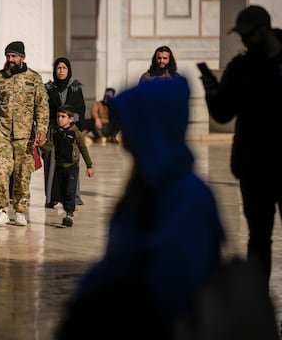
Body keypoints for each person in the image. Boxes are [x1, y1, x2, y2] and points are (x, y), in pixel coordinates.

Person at [55, 77, 224, 339]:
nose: (125, 131)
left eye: (134, 121)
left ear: (152, 126)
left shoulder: (186, 198)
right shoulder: (147, 183)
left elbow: (171, 286)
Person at [200, 5, 282, 290]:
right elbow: (223, 113)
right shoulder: (241, 67)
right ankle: (258, 307)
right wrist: (212, 91)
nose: (244, 41)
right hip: (255, 167)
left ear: (264, 31)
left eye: (247, 35)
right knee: (259, 238)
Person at [0, 40, 49, 227]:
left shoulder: (34, 78)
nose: (10, 59)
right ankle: (2, 210)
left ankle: (20, 211)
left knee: (23, 174)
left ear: (22, 57)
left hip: (25, 137)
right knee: (0, 171)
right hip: (2, 135)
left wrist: (41, 130)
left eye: (14, 56)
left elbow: (42, 107)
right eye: (8, 56)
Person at [39, 105, 94, 227]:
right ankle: (68, 209)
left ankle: (69, 215)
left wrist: (89, 166)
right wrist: (41, 144)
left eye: (63, 117)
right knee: (63, 192)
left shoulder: (75, 133)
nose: (59, 119)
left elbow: (83, 149)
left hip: (72, 167)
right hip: (59, 167)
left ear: (71, 119)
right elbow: (48, 148)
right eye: (58, 116)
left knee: (70, 191)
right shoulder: (55, 133)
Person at [43, 57, 87, 208]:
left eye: (64, 68)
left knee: (71, 162)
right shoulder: (48, 88)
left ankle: (72, 197)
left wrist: (69, 122)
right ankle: (52, 197)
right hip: (53, 131)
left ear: (69, 70)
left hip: (70, 131)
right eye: (58, 68)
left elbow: (81, 110)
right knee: (51, 163)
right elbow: (44, 110)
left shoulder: (75, 88)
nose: (61, 71)